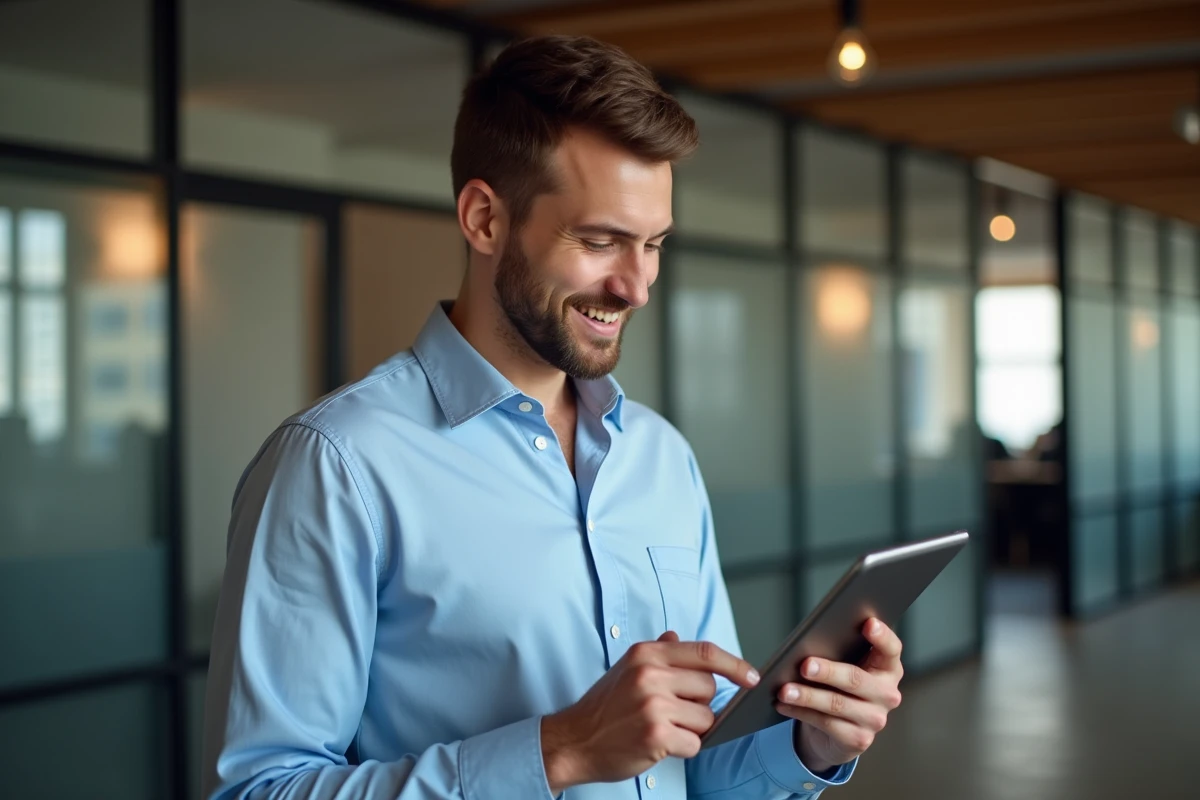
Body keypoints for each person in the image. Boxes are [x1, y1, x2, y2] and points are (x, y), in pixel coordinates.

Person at [202, 35, 904, 800]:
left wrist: (810, 740)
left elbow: (695, 769)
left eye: (654, 245)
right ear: (483, 219)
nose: (635, 286)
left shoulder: (660, 457)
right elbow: (259, 790)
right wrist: (559, 750)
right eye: (600, 240)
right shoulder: (336, 465)